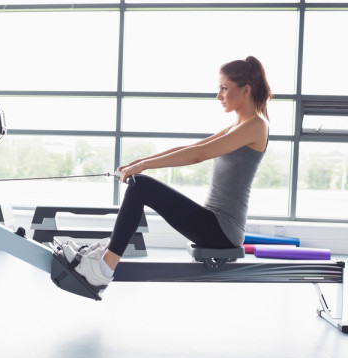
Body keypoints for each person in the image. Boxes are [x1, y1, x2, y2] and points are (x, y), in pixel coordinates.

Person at [60, 56, 272, 294]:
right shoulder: (238, 126)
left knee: (141, 186)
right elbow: (191, 148)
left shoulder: (256, 125)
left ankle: (103, 269)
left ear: (245, 90)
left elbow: (200, 154)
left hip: (223, 230)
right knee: (140, 183)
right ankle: (102, 257)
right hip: (214, 223)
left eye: (224, 88)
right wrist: (141, 162)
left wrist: (145, 168)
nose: (218, 95)